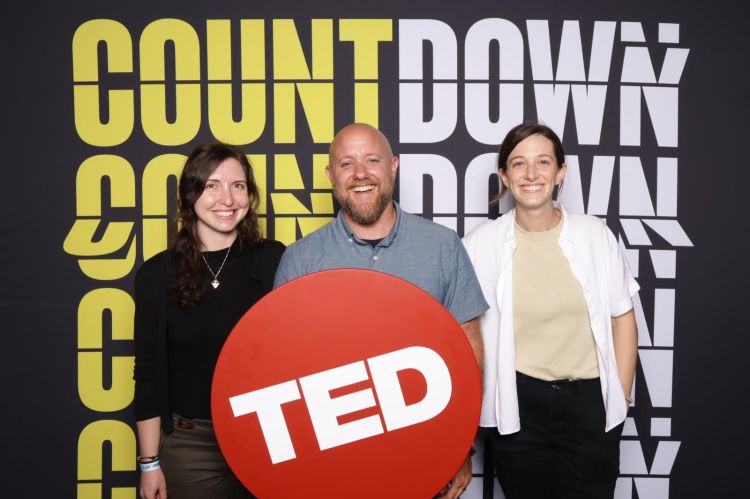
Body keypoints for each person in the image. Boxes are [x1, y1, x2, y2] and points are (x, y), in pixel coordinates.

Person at [273, 123, 489, 498]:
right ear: (330, 175)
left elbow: (468, 353)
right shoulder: (301, 259)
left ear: (393, 166)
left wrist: (459, 445)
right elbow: (279, 369)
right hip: (331, 464)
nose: (360, 173)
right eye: (346, 163)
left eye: (372, 160)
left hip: (422, 457)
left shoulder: (442, 247)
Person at [462, 122, 639, 499]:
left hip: (589, 403)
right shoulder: (480, 245)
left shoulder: (595, 236)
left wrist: (619, 397)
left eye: (543, 162)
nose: (531, 174)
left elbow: (622, 316)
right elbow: (462, 331)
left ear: (561, 172)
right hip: (518, 405)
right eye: (518, 163)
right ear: (505, 177)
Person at [133, 143, 285, 499]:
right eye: (212, 185)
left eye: (238, 186)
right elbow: (148, 372)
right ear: (190, 195)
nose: (227, 199)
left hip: (267, 433)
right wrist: (149, 463)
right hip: (190, 446)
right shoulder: (156, 275)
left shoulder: (274, 260)